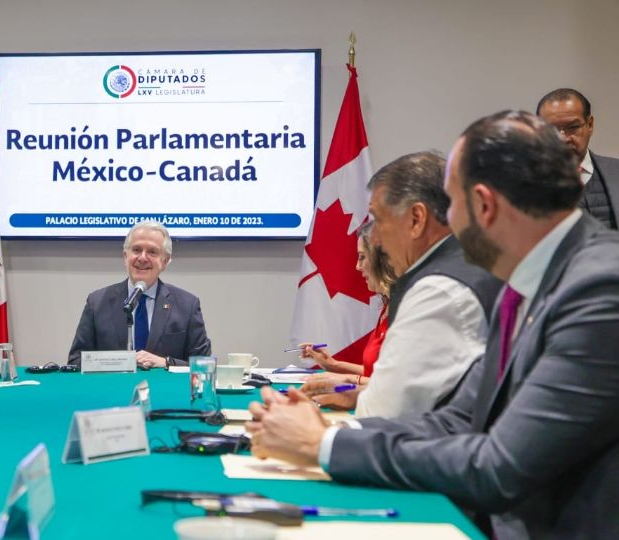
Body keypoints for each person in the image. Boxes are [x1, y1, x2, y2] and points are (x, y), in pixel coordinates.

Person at [247, 110, 619, 539]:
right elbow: (454, 420)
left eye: (452, 205)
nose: (451, 225)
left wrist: (323, 446)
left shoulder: (600, 288)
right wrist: (324, 431)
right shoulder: (526, 279)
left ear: (483, 205)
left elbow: (499, 468)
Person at [305, 152, 502, 416]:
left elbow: (388, 411)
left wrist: (318, 439)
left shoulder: (437, 289)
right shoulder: (463, 263)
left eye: (379, 221)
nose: (374, 239)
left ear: (416, 219)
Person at [68, 220, 211, 368]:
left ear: (165, 261)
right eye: (136, 250)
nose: (142, 258)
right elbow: (75, 362)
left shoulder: (187, 305)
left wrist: (167, 362)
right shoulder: (97, 303)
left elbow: (204, 365)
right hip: (113, 389)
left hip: (165, 390)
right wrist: (116, 363)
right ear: (125, 256)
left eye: (152, 252)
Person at [296, 221, 395, 384]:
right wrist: (333, 365)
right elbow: (374, 372)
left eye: (362, 257)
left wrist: (347, 378)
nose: (357, 266)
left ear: (382, 260)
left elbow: (394, 384)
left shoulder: (407, 310)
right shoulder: (388, 306)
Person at [537, 88, 619, 229]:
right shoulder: (524, 182)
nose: (563, 138)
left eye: (572, 127)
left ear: (590, 125)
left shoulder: (615, 171)